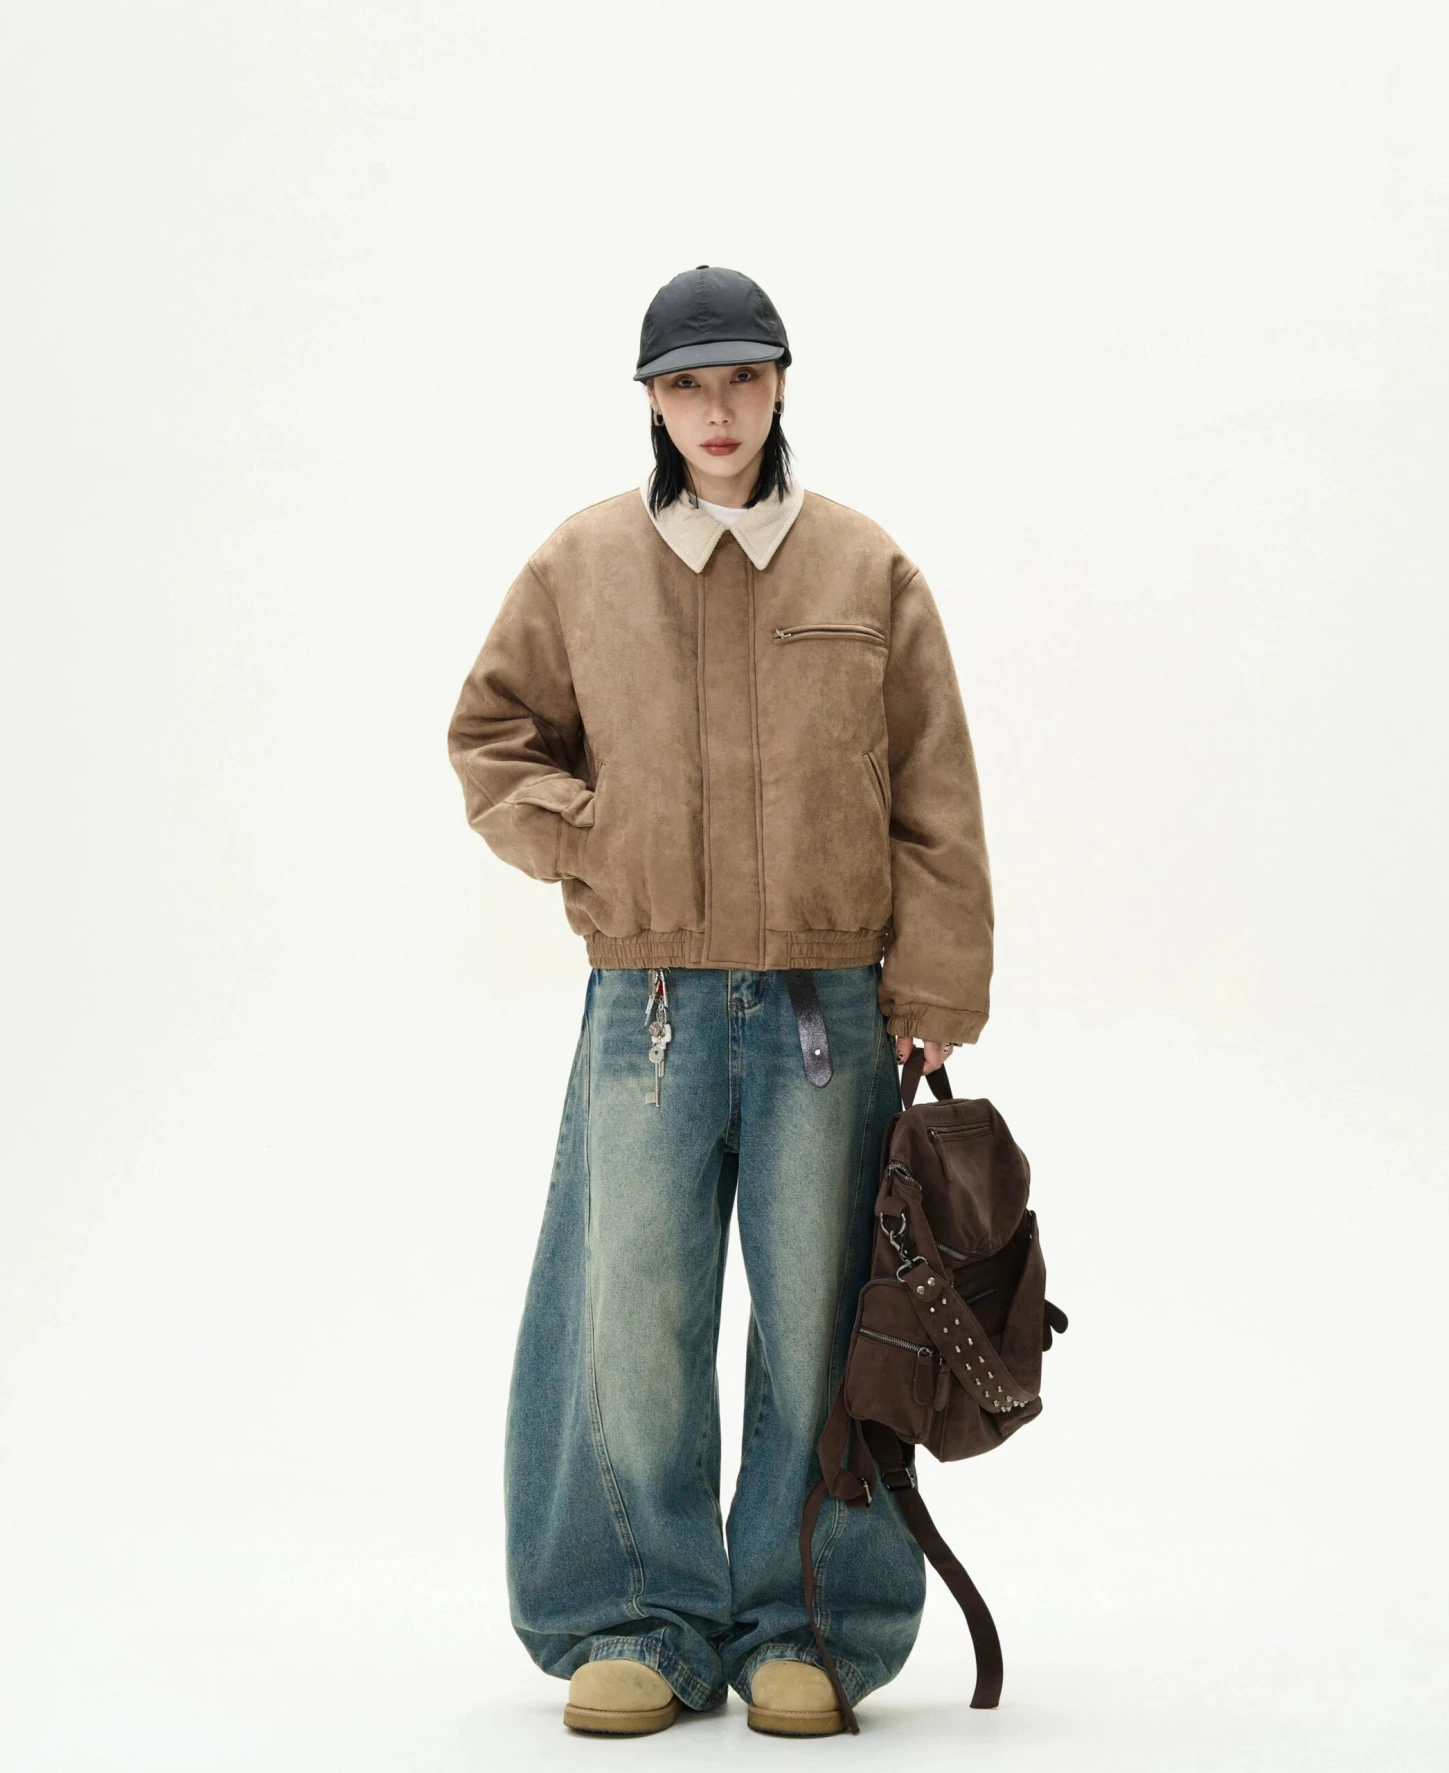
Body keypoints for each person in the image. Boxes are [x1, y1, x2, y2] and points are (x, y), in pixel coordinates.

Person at [446, 265, 994, 1738]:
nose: (716, 410)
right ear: (651, 401)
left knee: (822, 1316)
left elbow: (934, 792)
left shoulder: (867, 568)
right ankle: (637, 1614)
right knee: (630, 1310)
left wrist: (938, 982)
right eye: (686, 384)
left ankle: (807, 1620)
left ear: (780, 384)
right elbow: (493, 738)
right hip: (649, 1003)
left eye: (740, 378)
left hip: (831, 1008)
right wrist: (592, 841)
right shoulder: (582, 564)